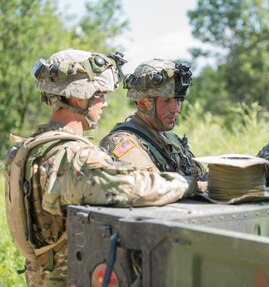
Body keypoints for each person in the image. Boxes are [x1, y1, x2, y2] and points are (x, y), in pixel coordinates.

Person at [5, 49, 195, 286]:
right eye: (99, 95)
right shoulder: (72, 157)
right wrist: (187, 183)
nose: (104, 103)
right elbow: (135, 188)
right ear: (78, 97)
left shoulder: (25, 150)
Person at [100, 59, 206, 191]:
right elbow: (151, 189)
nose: (176, 109)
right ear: (143, 103)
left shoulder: (170, 138)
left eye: (179, 100)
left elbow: (199, 174)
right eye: (166, 101)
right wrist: (201, 186)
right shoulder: (123, 142)